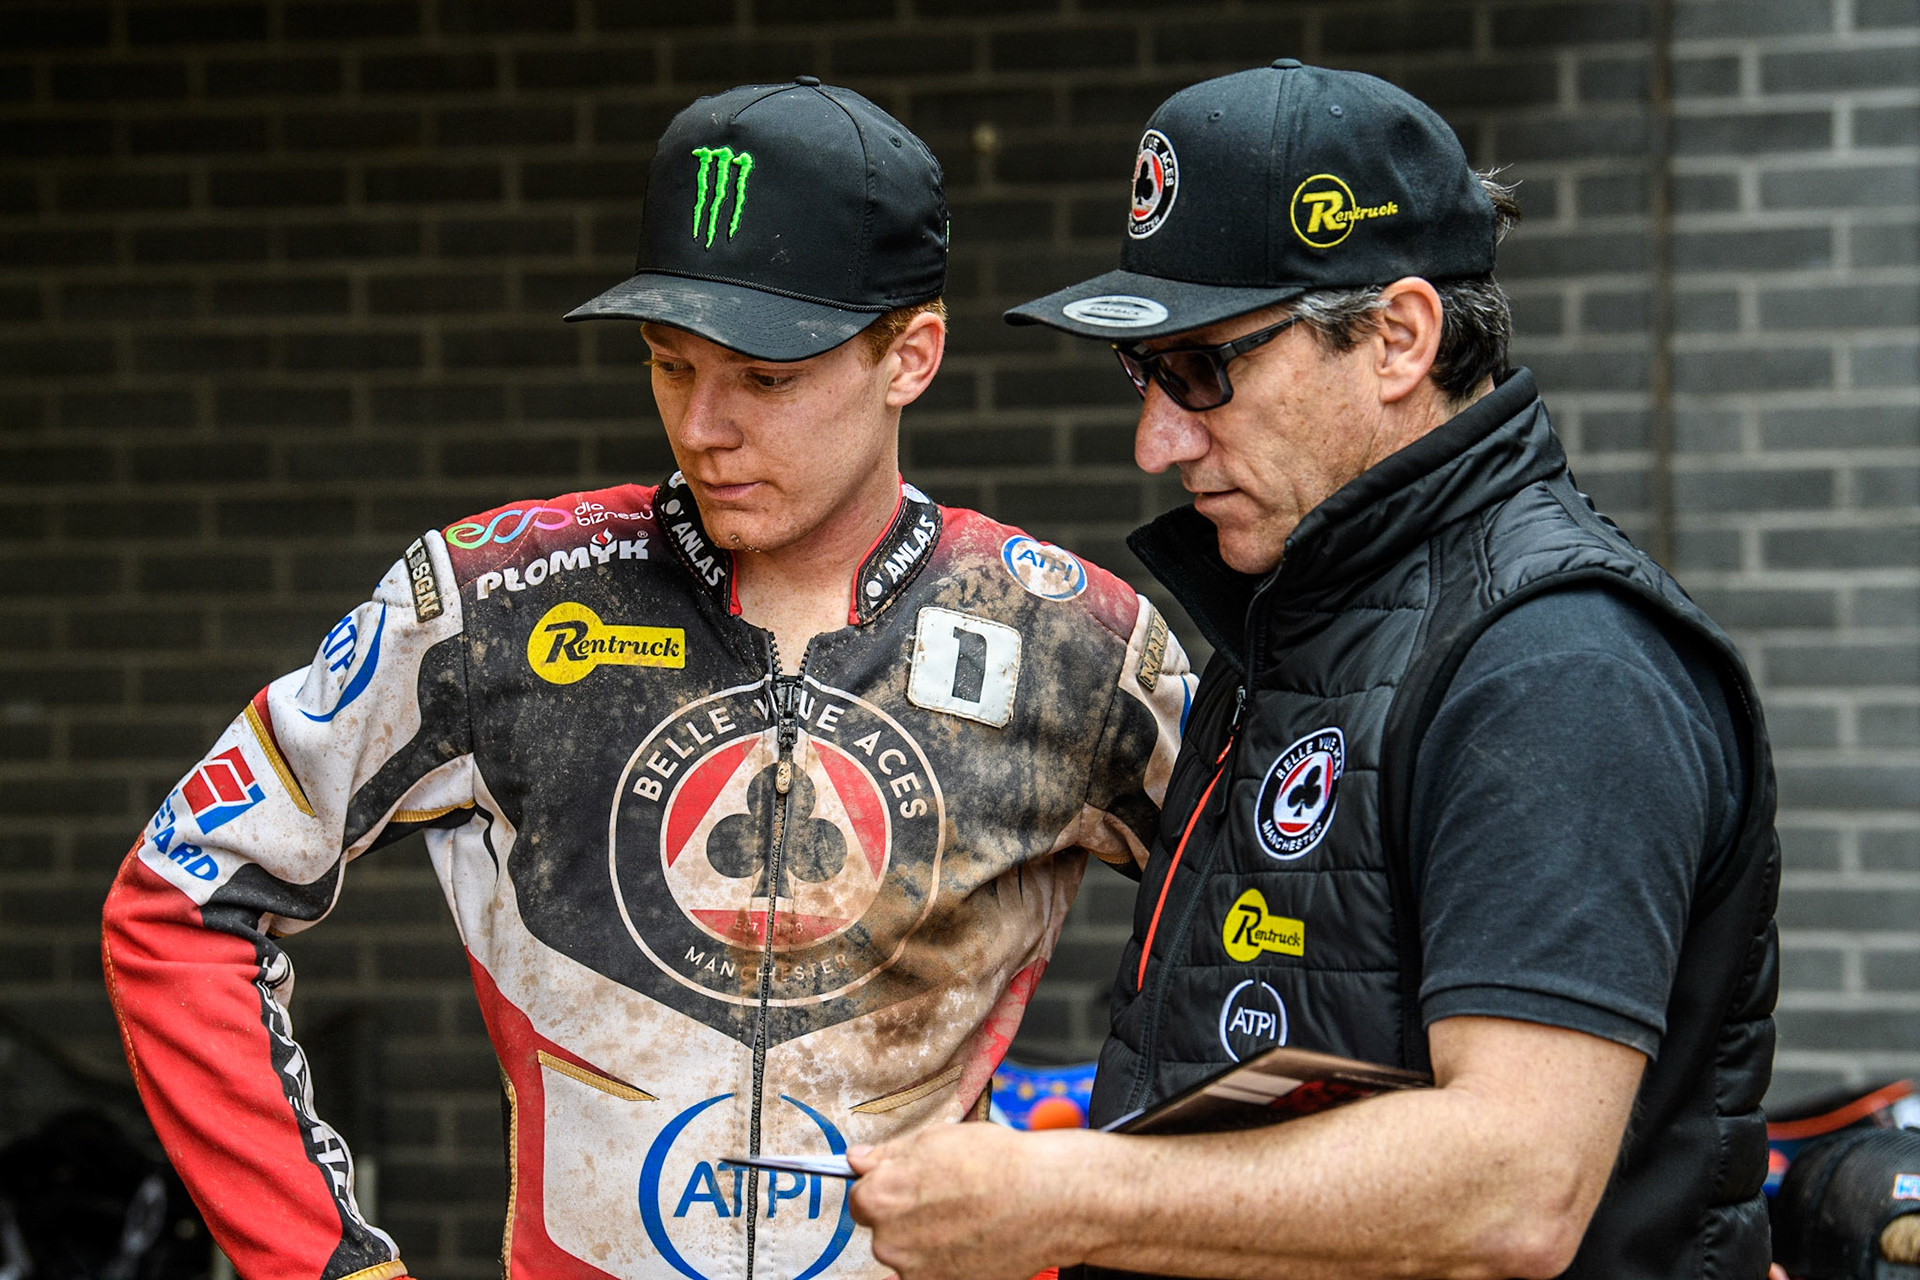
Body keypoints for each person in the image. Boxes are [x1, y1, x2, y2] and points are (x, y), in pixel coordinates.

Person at [100, 79, 1193, 1280]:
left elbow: (1295, 960)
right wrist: (328, 1263)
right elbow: (177, 897)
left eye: (765, 379)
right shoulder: (496, 601)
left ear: (910, 355)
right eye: (669, 366)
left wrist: (1110, 1206)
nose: (704, 426)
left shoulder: (1074, 640)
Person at [848, 61, 1780, 1280]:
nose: (1155, 440)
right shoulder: (1309, 602)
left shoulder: (1557, 660)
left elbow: (1517, 1180)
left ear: (1399, 336)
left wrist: (1070, 1194)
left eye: (1202, 372)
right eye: (1145, 375)